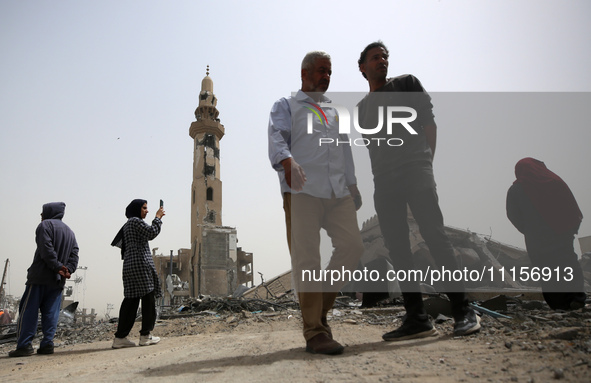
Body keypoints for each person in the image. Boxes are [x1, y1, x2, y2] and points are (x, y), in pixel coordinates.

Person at [356, 41, 481, 341]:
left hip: (415, 172)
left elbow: (429, 123)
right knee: (398, 249)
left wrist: (427, 164)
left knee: (435, 238)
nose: (382, 61)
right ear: (362, 67)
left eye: (385, 57)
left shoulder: (407, 84)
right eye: (375, 58)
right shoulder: (362, 109)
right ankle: (417, 318)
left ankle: (463, 310)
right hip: (384, 184)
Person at [268, 51, 364, 355]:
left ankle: (316, 312)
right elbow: (277, 137)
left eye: (330, 71)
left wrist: (353, 183)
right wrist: (287, 162)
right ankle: (315, 332)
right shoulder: (286, 106)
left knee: (352, 247)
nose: (327, 76)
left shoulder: (333, 113)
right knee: (308, 260)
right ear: (304, 73)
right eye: (321, 71)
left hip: (338, 192)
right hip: (302, 190)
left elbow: (344, 150)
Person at [506, 157, 586, 310]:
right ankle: (576, 299)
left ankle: (558, 304)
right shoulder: (555, 182)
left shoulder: (516, 190)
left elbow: (513, 215)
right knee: (568, 265)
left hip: (537, 240)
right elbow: (572, 208)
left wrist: (528, 230)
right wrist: (569, 231)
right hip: (561, 235)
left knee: (546, 271)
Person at [9, 202, 79, 357]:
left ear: (49, 212)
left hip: (40, 277)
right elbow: (75, 254)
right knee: (51, 313)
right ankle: (47, 344)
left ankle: (24, 345)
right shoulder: (70, 232)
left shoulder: (44, 226)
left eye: (42, 212)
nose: (41, 216)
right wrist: (68, 269)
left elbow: (46, 249)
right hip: (58, 281)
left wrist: (57, 266)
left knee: (28, 311)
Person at [111, 199, 164, 348]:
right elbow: (151, 232)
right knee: (148, 299)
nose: (146, 211)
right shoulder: (135, 221)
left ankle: (120, 337)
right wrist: (158, 218)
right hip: (140, 265)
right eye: (144, 208)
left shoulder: (128, 224)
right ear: (137, 209)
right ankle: (145, 335)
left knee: (131, 301)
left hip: (130, 266)